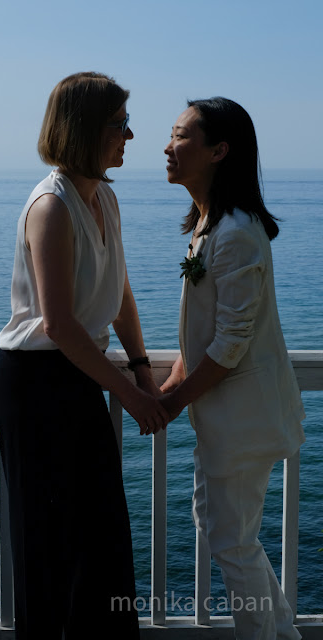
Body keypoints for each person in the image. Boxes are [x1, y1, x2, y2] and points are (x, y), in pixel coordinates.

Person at [0, 72, 168, 640]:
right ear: (86, 129)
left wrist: (141, 367)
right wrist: (132, 396)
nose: (129, 136)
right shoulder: (52, 207)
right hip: (36, 386)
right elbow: (60, 325)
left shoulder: (104, 198)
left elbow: (119, 292)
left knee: (101, 539)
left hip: (77, 378)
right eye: (119, 124)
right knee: (48, 547)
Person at [160, 97, 306, 639]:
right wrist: (173, 382)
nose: (168, 147)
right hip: (227, 419)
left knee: (230, 540)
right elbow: (204, 334)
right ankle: (282, 633)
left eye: (181, 136)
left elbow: (231, 342)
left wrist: (171, 402)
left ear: (219, 151)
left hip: (244, 419)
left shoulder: (236, 231)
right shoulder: (211, 225)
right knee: (224, 532)